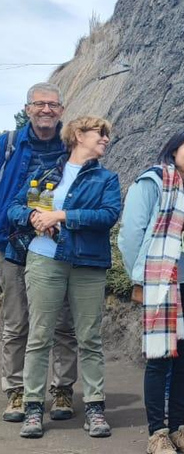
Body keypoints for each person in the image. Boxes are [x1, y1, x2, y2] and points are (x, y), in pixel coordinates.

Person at [6, 116, 120, 439]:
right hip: (44, 259)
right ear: (78, 135)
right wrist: (31, 216)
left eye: (107, 136)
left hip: (87, 263)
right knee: (39, 335)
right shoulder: (43, 173)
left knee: (89, 337)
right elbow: (13, 208)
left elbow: (108, 216)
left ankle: (95, 408)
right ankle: (32, 408)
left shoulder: (106, 179)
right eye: (100, 134)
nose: (106, 140)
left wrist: (61, 215)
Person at [118, 128, 184, 454]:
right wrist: (143, 278)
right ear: (174, 149)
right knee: (160, 358)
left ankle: (178, 428)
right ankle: (157, 433)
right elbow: (130, 234)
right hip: (162, 283)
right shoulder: (152, 182)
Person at [1, 82, 78, 424]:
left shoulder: (72, 145)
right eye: (40, 104)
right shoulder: (8, 145)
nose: (46, 110)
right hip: (13, 244)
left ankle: (62, 389)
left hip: (59, 247)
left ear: (61, 110)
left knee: (63, 324)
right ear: (28, 107)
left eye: (53, 105)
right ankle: (15, 391)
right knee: (16, 323)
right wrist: (30, 216)